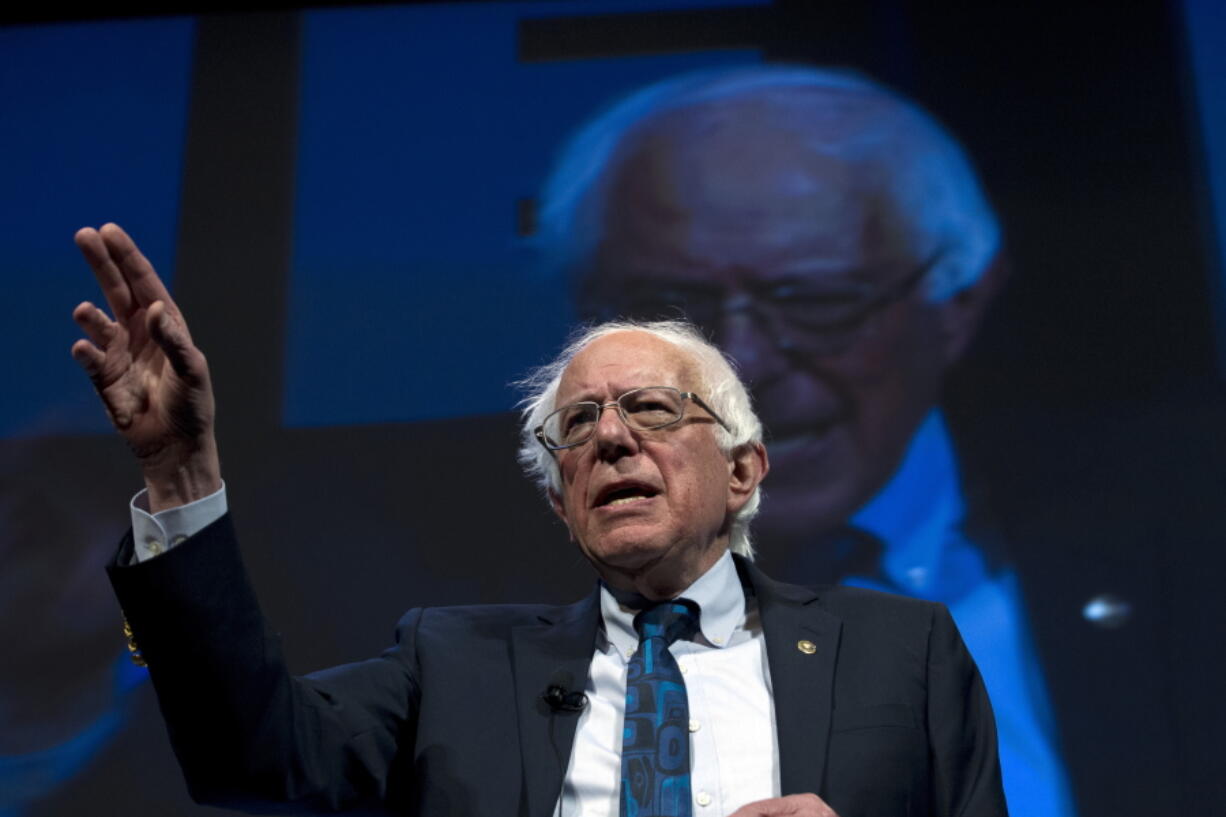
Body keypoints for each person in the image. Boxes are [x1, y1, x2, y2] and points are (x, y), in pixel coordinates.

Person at [69, 223, 1006, 816]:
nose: (609, 439)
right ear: (563, 504)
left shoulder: (902, 651)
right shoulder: (454, 664)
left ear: (744, 470)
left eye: (650, 409)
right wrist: (180, 468)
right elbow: (248, 755)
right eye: (576, 427)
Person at [536, 66, 1071, 816]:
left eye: (817, 300)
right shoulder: (420, 582)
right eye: (671, 310)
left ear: (958, 298)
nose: (742, 362)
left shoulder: (1174, 514)